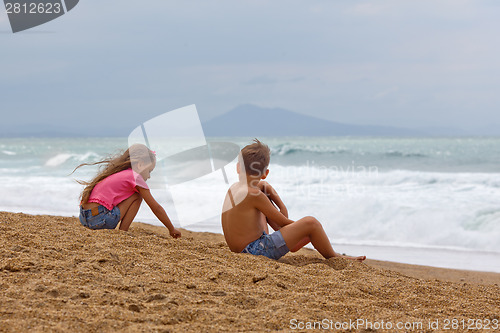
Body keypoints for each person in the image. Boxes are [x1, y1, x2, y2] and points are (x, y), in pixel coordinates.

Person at [221, 139, 365, 261]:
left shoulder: (234, 188)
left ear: (238, 167)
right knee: (311, 223)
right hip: (254, 251)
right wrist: (302, 227)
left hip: (240, 249)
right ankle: (335, 256)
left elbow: (263, 186)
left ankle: (291, 240)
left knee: (264, 192)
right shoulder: (255, 195)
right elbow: (282, 222)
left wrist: (278, 202)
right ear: (265, 173)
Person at [73, 143, 181, 238]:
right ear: (140, 164)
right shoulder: (135, 177)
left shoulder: (119, 174)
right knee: (137, 195)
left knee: (129, 194)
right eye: (149, 171)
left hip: (84, 218)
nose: (149, 176)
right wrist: (171, 228)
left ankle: (121, 232)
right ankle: (123, 232)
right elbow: (156, 208)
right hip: (100, 220)